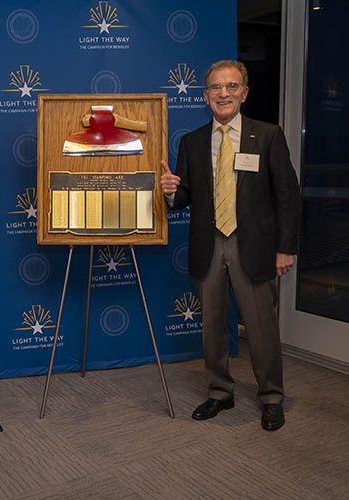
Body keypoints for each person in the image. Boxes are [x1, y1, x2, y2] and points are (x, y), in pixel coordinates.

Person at [161, 60, 300, 432]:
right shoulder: (191, 141)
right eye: (215, 88)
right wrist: (172, 192)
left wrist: (285, 249)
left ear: (244, 92)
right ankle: (221, 391)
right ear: (205, 97)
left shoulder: (268, 135)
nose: (224, 93)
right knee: (212, 327)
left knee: (261, 328)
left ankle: (272, 397)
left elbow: (287, 194)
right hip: (209, 246)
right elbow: (186, 197)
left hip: (252, 246)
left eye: (231, 86)